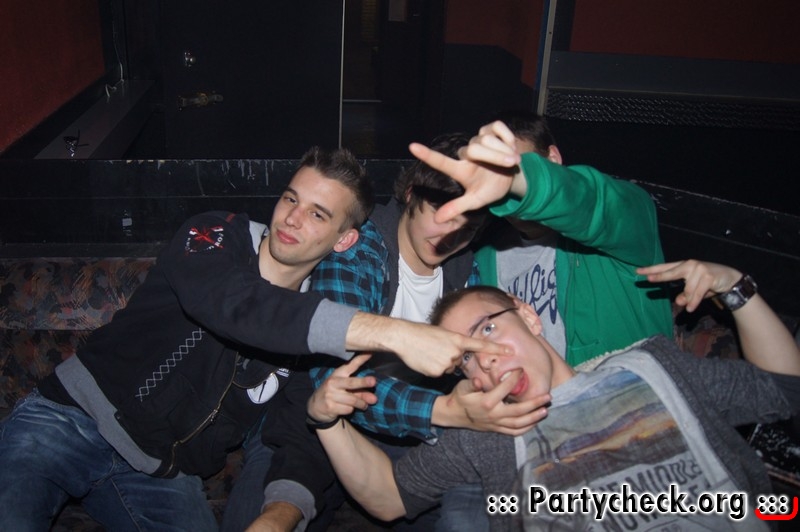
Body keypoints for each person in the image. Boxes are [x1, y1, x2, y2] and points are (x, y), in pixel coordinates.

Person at [0, 147, 505, 532]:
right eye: (291, 198)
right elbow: (236, 306)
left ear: (344, 239)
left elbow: (297, 429)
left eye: (318, 214)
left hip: (159, 473)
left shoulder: (318, 322)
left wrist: (280, 513)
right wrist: (395, 333)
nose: (293, 218)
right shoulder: (214, 236)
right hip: (69, 421)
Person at [309, 259, 800, 531]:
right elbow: (387, 497)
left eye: (487, 331)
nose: (485, 362)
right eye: (466, 359)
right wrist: (327, 420)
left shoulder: (652, 364)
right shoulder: (488, 431)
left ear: (527, 316)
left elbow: (785, 389)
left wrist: (735, 287)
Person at [233, 134, 547, 531]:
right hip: (317, 424)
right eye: (441, 212)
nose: (451, 233)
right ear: (411, 194)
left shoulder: (466, 271)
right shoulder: (358, 251)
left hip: (410, 437)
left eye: (468, 226)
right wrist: (443, 410)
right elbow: (337, 376)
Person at [473, 110, 674, 366]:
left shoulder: (625, 220)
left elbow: (589, 200)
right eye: (495, 172)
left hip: (638, 387)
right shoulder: (487, 258)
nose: (505, 185)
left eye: (516, 166)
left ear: (553, 159)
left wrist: (524, 180)